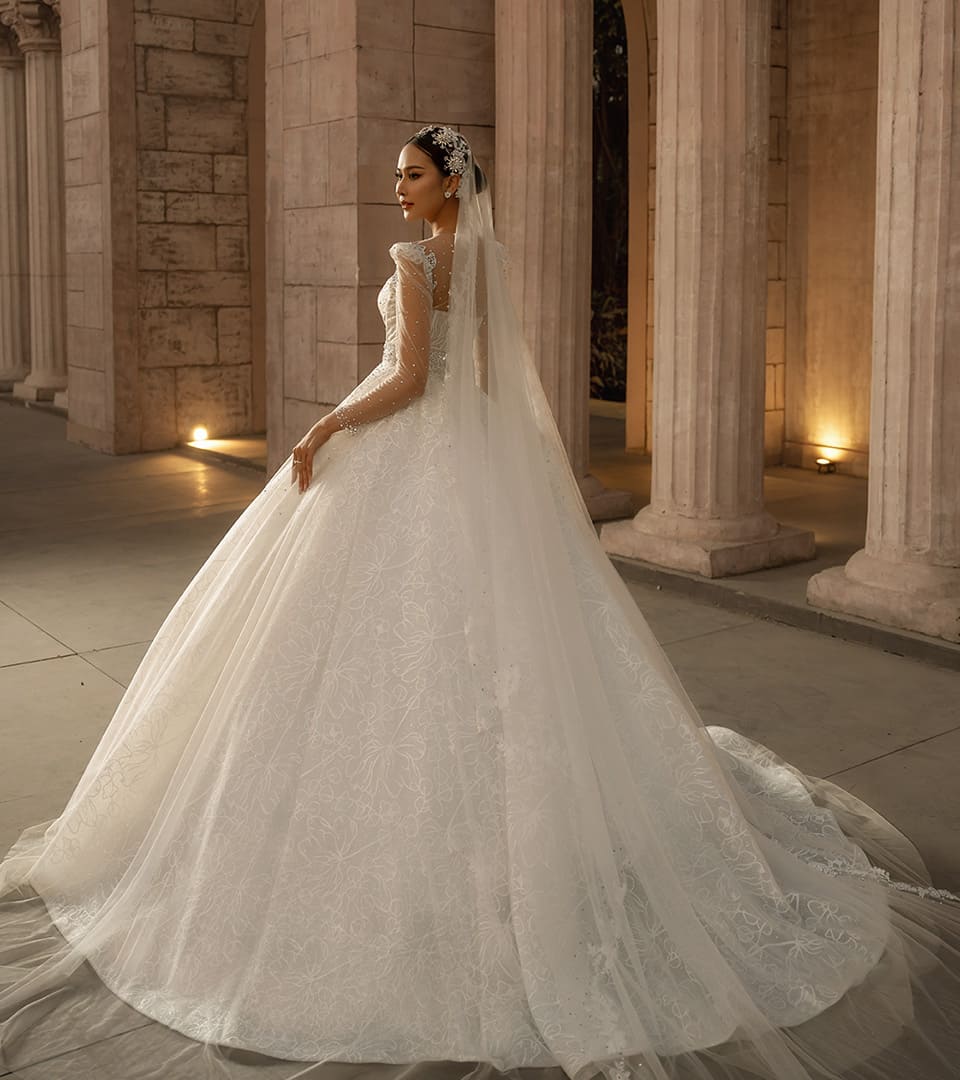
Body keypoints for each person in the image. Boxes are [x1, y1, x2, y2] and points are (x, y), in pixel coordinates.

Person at [0, 124, 959, 1080]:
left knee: (386, 638)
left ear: (451, 181)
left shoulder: (418, 258)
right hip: (470, 456)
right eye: (397, 176)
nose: (399, 189)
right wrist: (503, 466)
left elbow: (412, 376)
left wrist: (327, 425)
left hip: (409, 446)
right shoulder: (486, 260)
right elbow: (490, 379)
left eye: (413, 174)